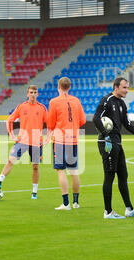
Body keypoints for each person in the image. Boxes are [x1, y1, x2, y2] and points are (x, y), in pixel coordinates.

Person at [93, 77, 134, 220]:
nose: (127, 90)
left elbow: (127, 124)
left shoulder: (121, 104)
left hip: (117, 143)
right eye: (125, 87)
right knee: (109, 176)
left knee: (123, 176)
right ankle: (108, 212)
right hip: (107, 143)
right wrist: (106, 134)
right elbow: (96, 119)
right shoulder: (106, 100)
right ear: (116, 87)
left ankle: (129, 209)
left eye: (127, 87)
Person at [0, 85, 48, 199]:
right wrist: (12, 135)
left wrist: (47, 139)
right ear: (27, 94)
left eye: (35, 92)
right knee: (11, 160)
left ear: (37, 94)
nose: (33, 94)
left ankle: (34, 192)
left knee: (35, 167)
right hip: (22, 141)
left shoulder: (42, 108)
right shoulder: (21, 107)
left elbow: (50, 124)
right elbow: (9, 120)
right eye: (31, 92)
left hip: (36, 142)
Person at [47, 77, 86, 210]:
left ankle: (66, 204)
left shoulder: (54, 102)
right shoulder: (76, 100)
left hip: (60, 140)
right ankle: (76, 202)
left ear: (59, 86)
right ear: (69, 87)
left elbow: (50, 123)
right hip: (73, 139)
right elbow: (82, 120)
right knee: (74, 171)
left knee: (61, 171)